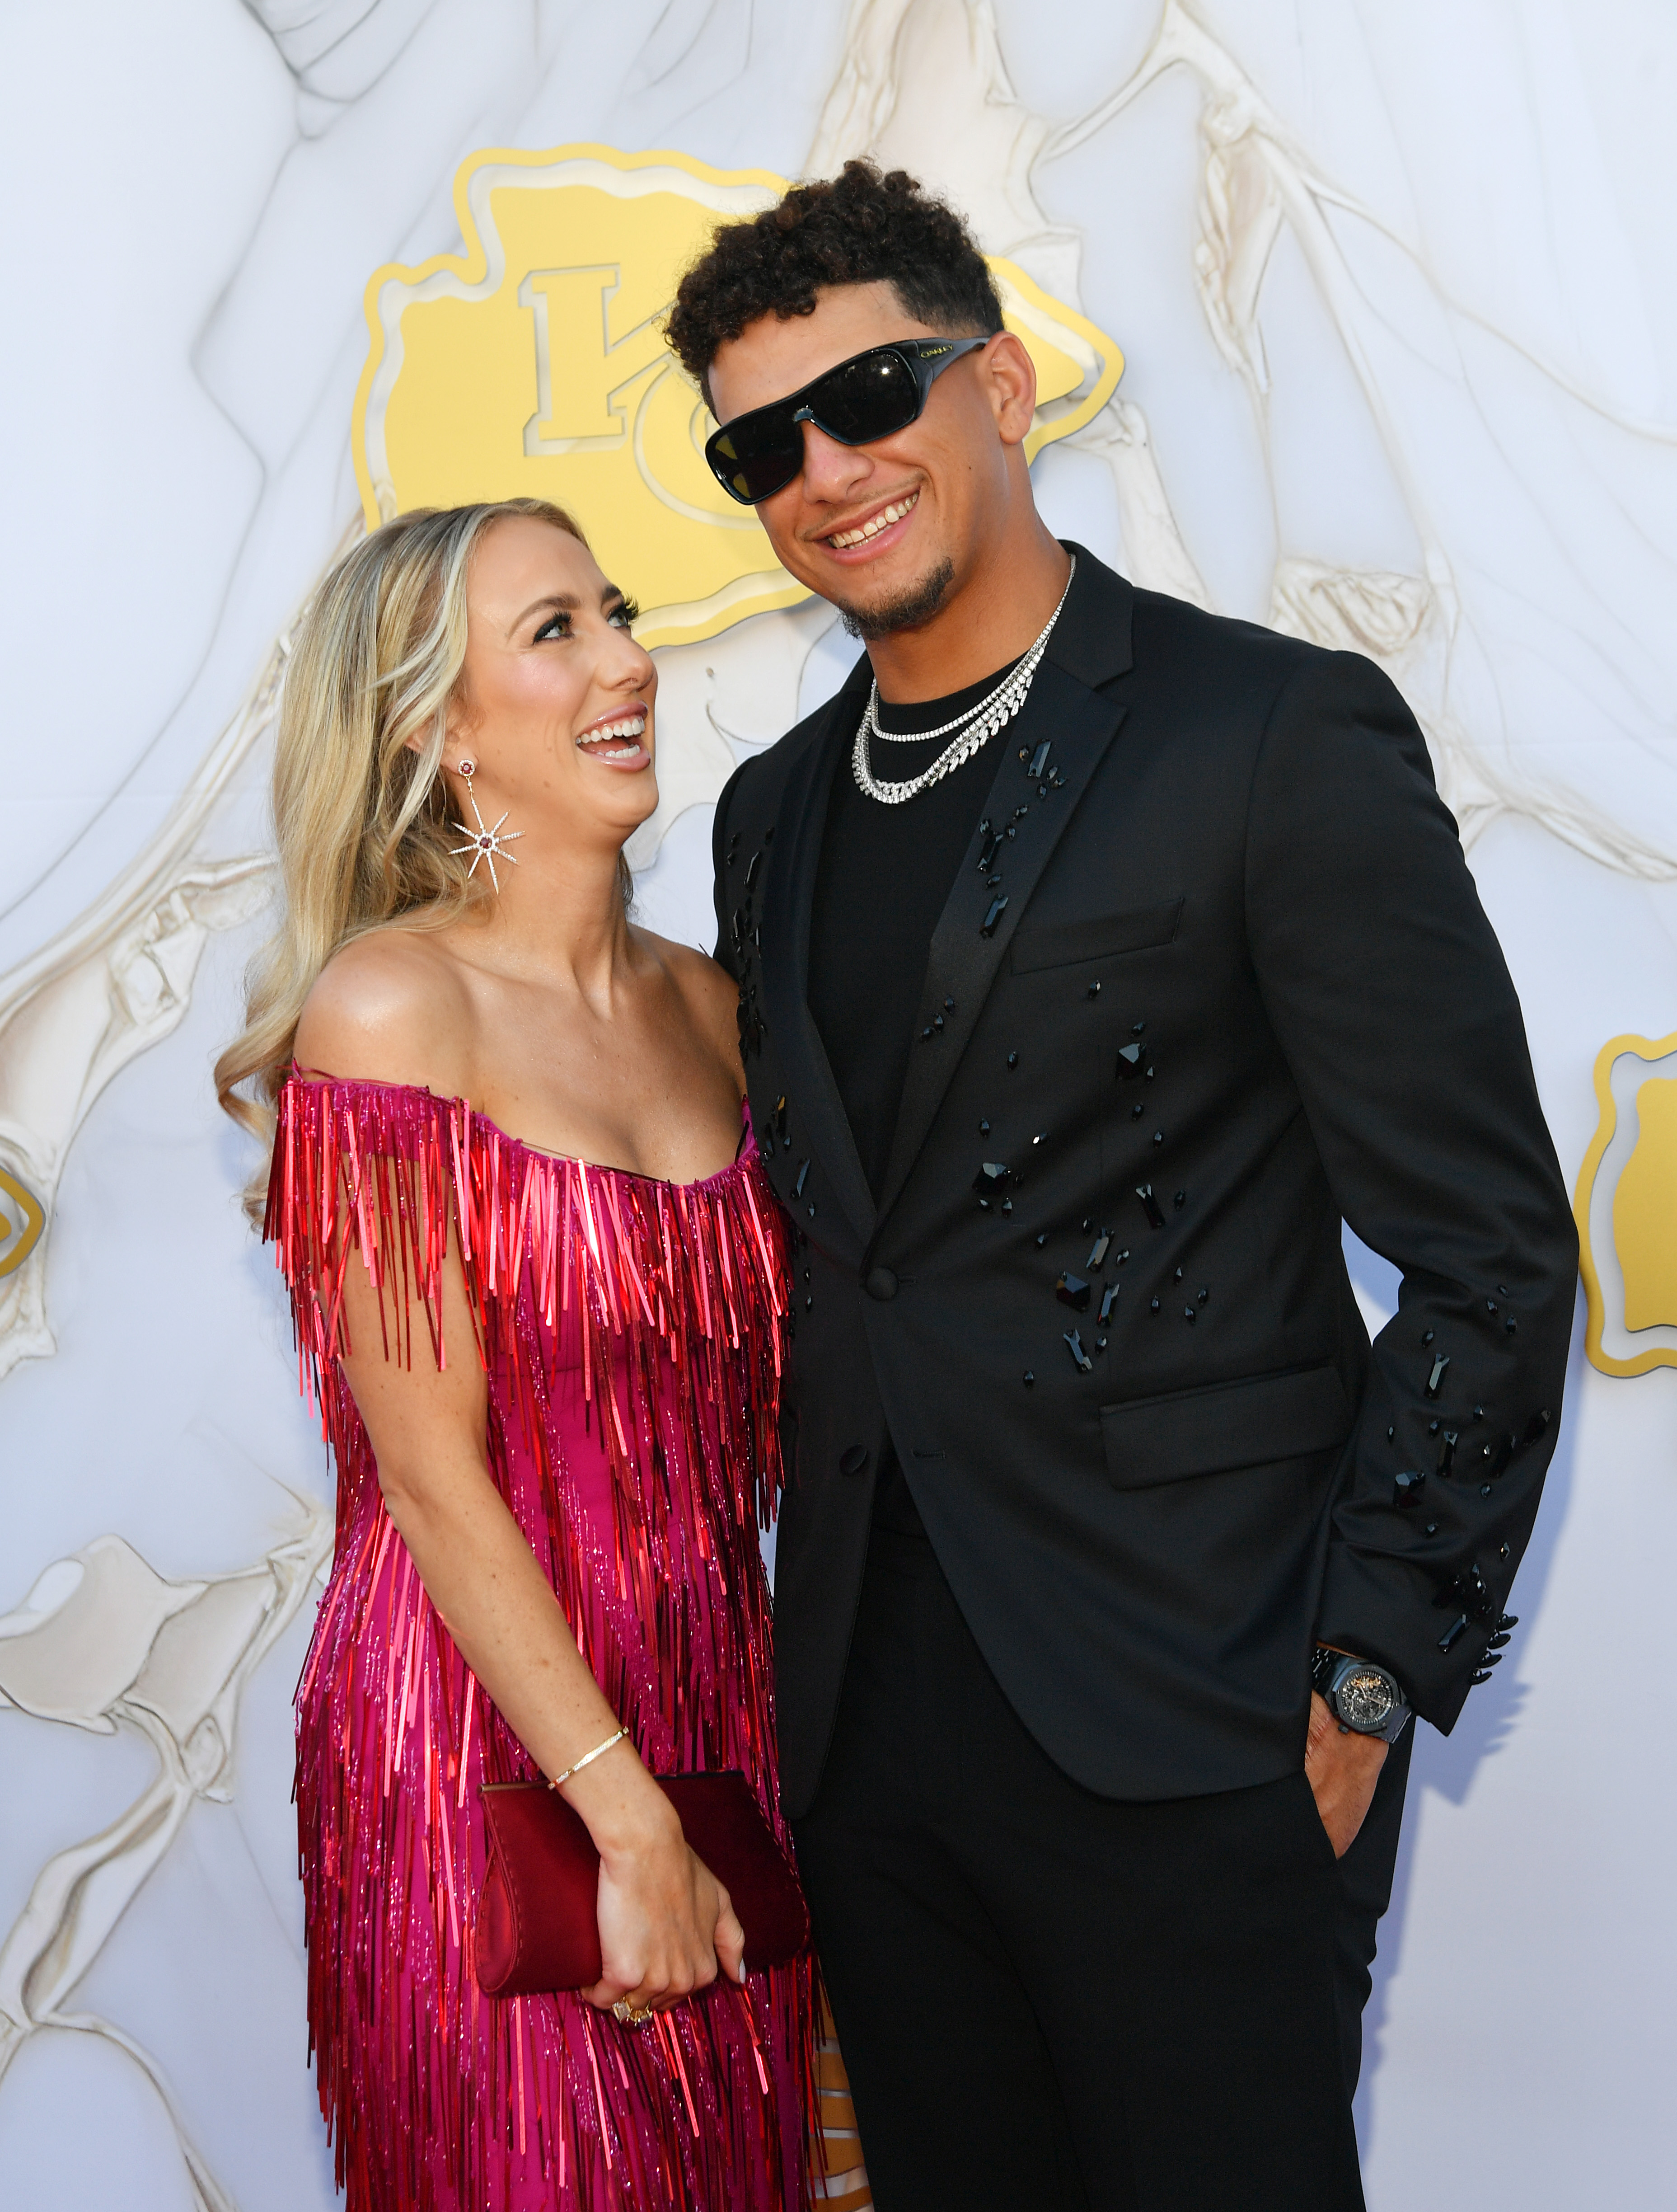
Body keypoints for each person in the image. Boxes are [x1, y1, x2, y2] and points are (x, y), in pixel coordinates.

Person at [670, 160, 1579, 2210]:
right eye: (761, 444)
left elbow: (1489, 1247)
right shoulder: (769, 815)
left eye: (873, 391)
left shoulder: (1262, 733)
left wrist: (1367, 1669)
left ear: (997, 384)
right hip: (873, 1727)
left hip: (1199, 1707)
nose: (826, 468)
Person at [215, 498, 818, 2212]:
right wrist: (625, 1820)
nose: (629, 662)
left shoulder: (717, 1009)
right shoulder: (393, 1012)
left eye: (614, 614)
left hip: (719, 1710)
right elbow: (424, 1469)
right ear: (438, 728)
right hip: (483, 1733)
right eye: (554, 632)